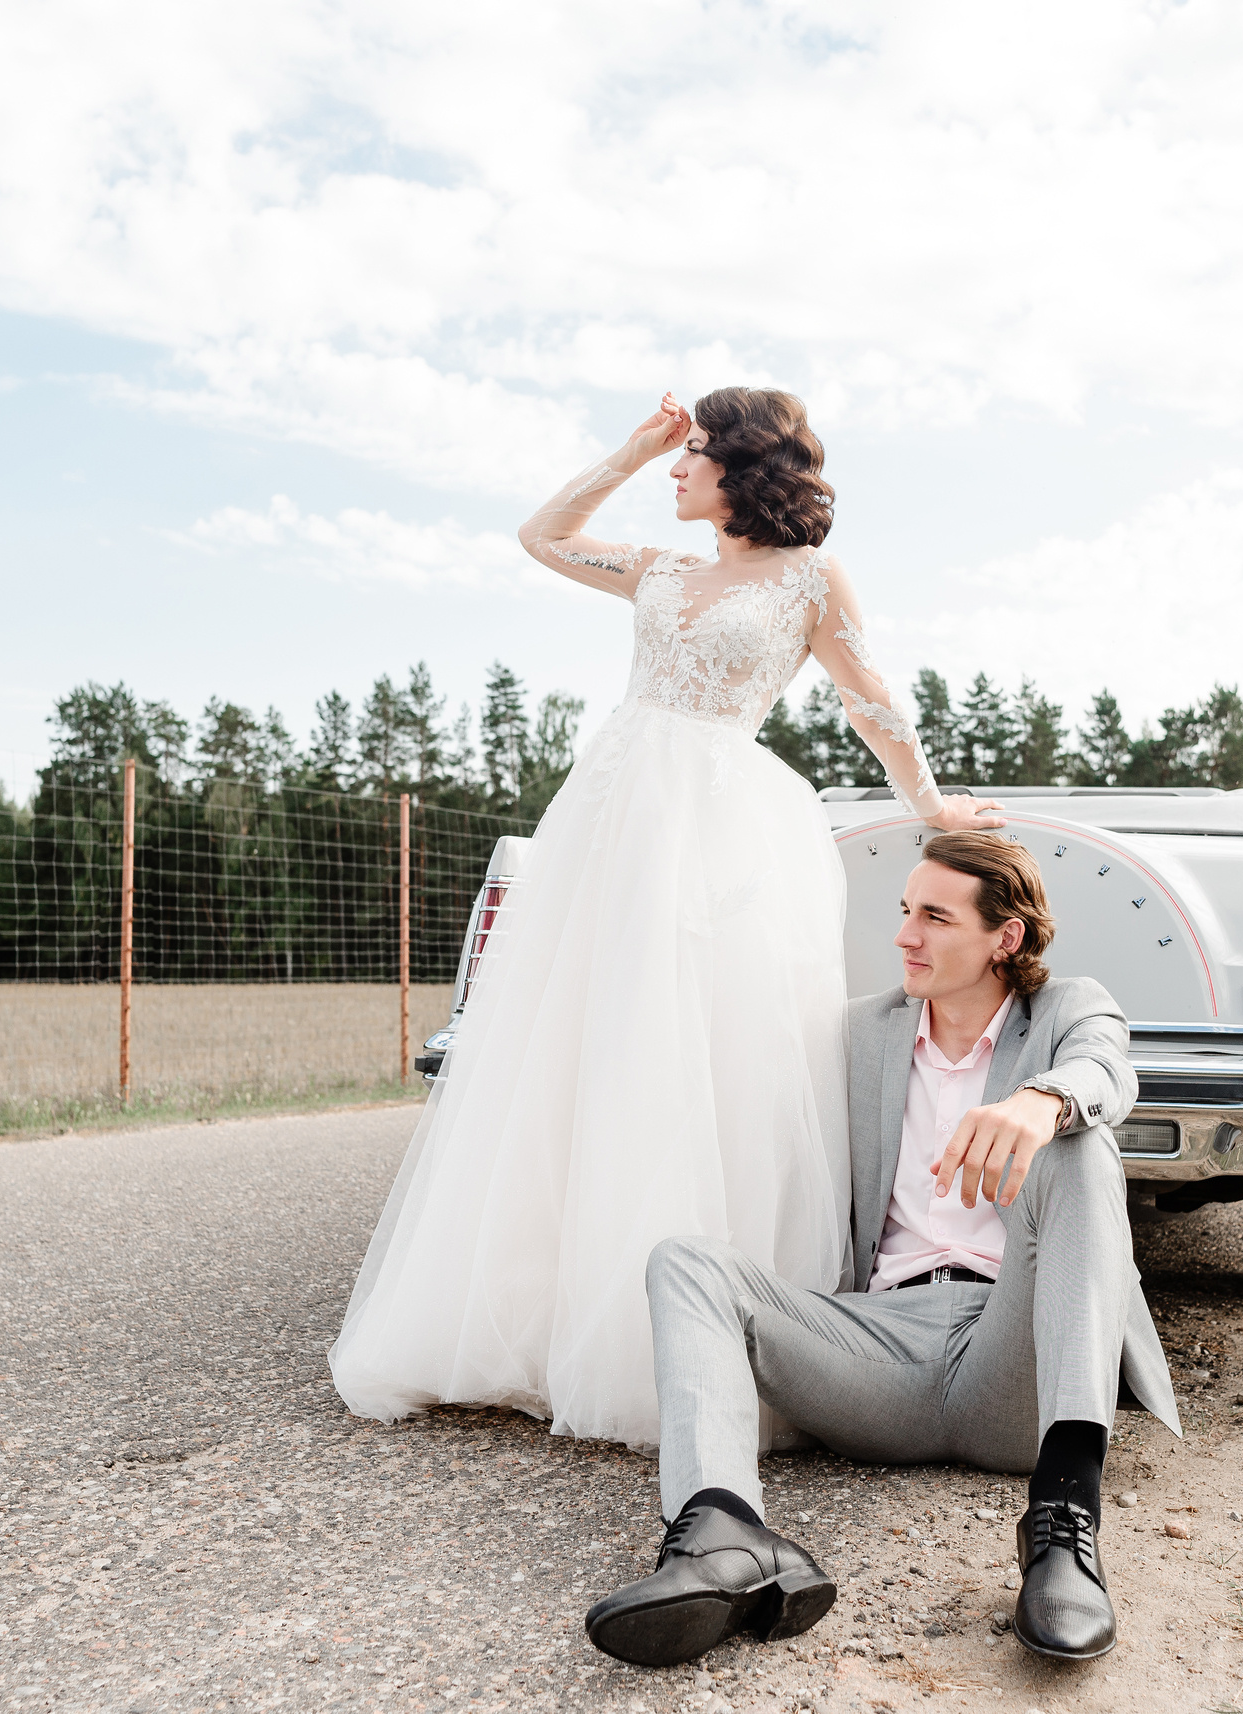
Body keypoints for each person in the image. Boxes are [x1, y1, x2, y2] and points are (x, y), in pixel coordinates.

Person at [328, 388, 1003, 1449]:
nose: (674, 471)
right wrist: (630, 447)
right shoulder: (657, 567)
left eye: (690, 453)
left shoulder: (809, 581)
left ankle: (686, 1334)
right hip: (612, 813)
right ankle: (539, 1324)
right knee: (571, 1048)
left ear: (745, 467)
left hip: (722, 823)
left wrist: (931, 807)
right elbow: (540, 535)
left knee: (699, 1055)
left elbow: (872, 698)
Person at [583, 832, 1181, 1668]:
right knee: (686, 1261)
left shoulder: (1071, 1007)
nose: (904, 934)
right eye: (906, 911)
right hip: (875, 1349)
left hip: (1011, 1349)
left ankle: (1062, 1527)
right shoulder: (864, 1030)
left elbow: (1106, 1070)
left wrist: (1042, 1103)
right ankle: (719, 1535)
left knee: (1084, 1148)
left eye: (935, 916)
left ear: (1004, 938)